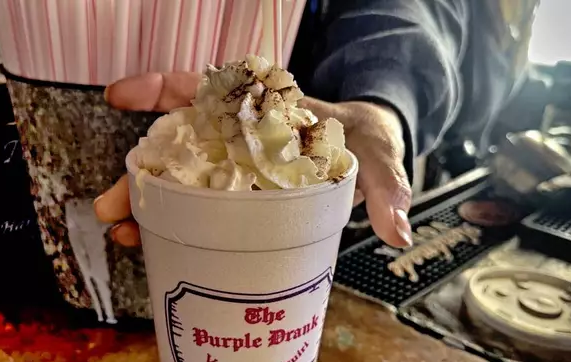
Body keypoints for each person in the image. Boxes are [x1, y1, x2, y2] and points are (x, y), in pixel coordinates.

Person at [93, 0, 538, 249]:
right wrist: (384, 94)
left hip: (345, 204)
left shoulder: (520, 18)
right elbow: (404, 13)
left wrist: (381, 117)